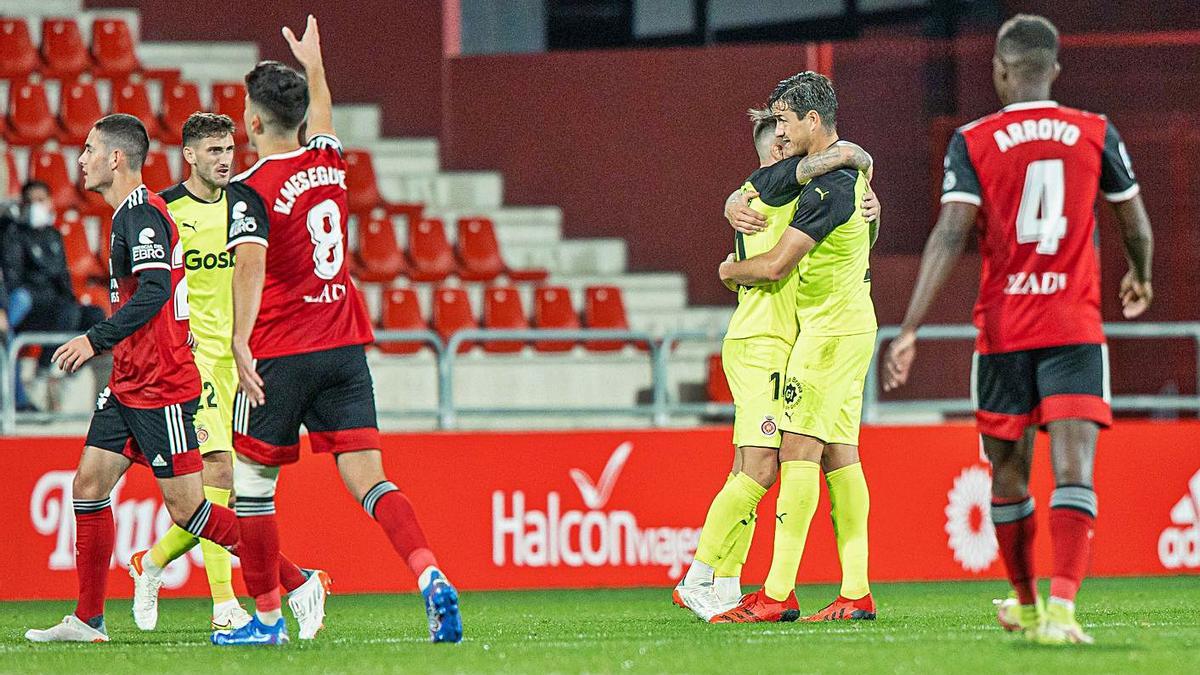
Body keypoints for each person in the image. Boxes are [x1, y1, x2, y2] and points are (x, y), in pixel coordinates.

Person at [881, 15, 1153, 645]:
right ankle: (1062, 611)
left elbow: (950, 233)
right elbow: (1135, 224)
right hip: (1074, 327)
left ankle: (1031, 608)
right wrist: (1141, 276)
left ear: (1000, 71)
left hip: (1004, 333)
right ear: (1054, 70)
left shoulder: (973, 140)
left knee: (1008, 474)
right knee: (1074, 467)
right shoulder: (1095, 131)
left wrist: (911, 328)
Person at [212, 16, 461, 646]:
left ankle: (267, 620)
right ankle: (429, 574)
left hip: (279, 355)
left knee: (251, 488)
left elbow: (249, 264)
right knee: (371, 480)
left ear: (253, 122)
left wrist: (239, 339)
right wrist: (315, 64)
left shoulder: (249, 189)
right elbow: (321, 107)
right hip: (344, 347)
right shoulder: (327, 162)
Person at [25, 113, 240, 643]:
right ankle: (88, 619)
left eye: (90, 148)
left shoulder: (139, 214)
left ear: (115, 158)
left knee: (191, 509)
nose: (81, 159)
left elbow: (153, 290)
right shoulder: (132, 213)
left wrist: (93, 338)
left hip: (159, 382)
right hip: (129, 379)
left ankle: (295, 580)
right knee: (88, 484)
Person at [128, 112, 330, 638]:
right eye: (214, 151)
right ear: (190, 155)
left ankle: (150, 563)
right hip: (191, 363)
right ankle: (225, 604)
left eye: (230, 149)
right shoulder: (165, 210)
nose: (225, 159)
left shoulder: (248, 206)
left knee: (243, 490)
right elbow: (145, 286)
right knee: (216, 474)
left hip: (244, 360)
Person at [673, 109, 877, 622]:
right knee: (763, 464)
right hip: (763, 341)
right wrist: (726, 270)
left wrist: (865, 185)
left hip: (788, 340)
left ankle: (724, 581)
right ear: (773, 155)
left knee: (815, 455)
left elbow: (841, 196)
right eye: (785, 145)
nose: (799, 155)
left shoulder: (765, 195)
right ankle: (702, 576)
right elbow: (773, 263)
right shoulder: (767, 196)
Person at [1, 181, 107, 411]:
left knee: (95, 315)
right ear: (23, 204)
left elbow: (63, 277)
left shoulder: (53, 235)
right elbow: (14, 279)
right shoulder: (14, 235)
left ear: (50, 203)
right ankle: (43, 369)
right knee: (65, 311)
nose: (36, 206)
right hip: (32, 307)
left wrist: (68, 298)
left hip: (55, 306)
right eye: (31, 201)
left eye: (41, 200)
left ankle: (68, 370)